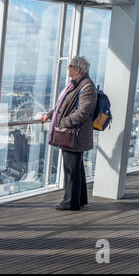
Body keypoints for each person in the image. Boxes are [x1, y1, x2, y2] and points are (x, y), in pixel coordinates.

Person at [41, 56, 97, 211]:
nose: (68, 68)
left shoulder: (87, 87)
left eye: (70, 66)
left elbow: (82, 113)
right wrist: (50, 115)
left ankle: (70, 203)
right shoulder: (75, 85)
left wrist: (62, 122)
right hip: (73, 133)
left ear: (77, 69)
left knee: (71, 169)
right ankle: (80, 199)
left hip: (75, 135)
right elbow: (61, 106)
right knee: (76, 168)